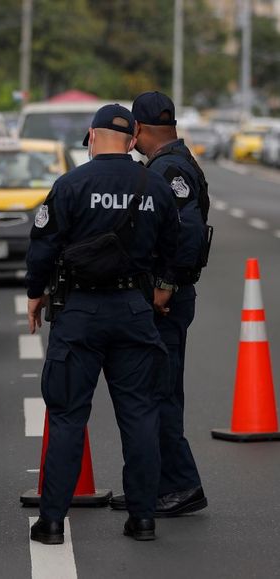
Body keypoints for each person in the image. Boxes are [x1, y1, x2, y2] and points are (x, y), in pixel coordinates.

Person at [26, 104, 180, 544]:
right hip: (135, 311)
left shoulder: (71, 184)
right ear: (132, 140)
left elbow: (42, 247)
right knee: (140, 416)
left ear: (91, 137)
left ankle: (53, 521)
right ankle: (143, 518)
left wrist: (36, 294)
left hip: (80, 314)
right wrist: (163, 287)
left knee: (68, 415)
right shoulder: (155, 185)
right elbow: (175, 245)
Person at [108, 91, 211, 517]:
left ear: (141, 130)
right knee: (156, 392)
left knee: (160, 394)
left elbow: (187, 231)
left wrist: (165, 284)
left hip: (166, 300)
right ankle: (153, 485)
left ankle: (180, 485)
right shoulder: (172, 162)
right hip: (165, 295)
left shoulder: (170, 169)